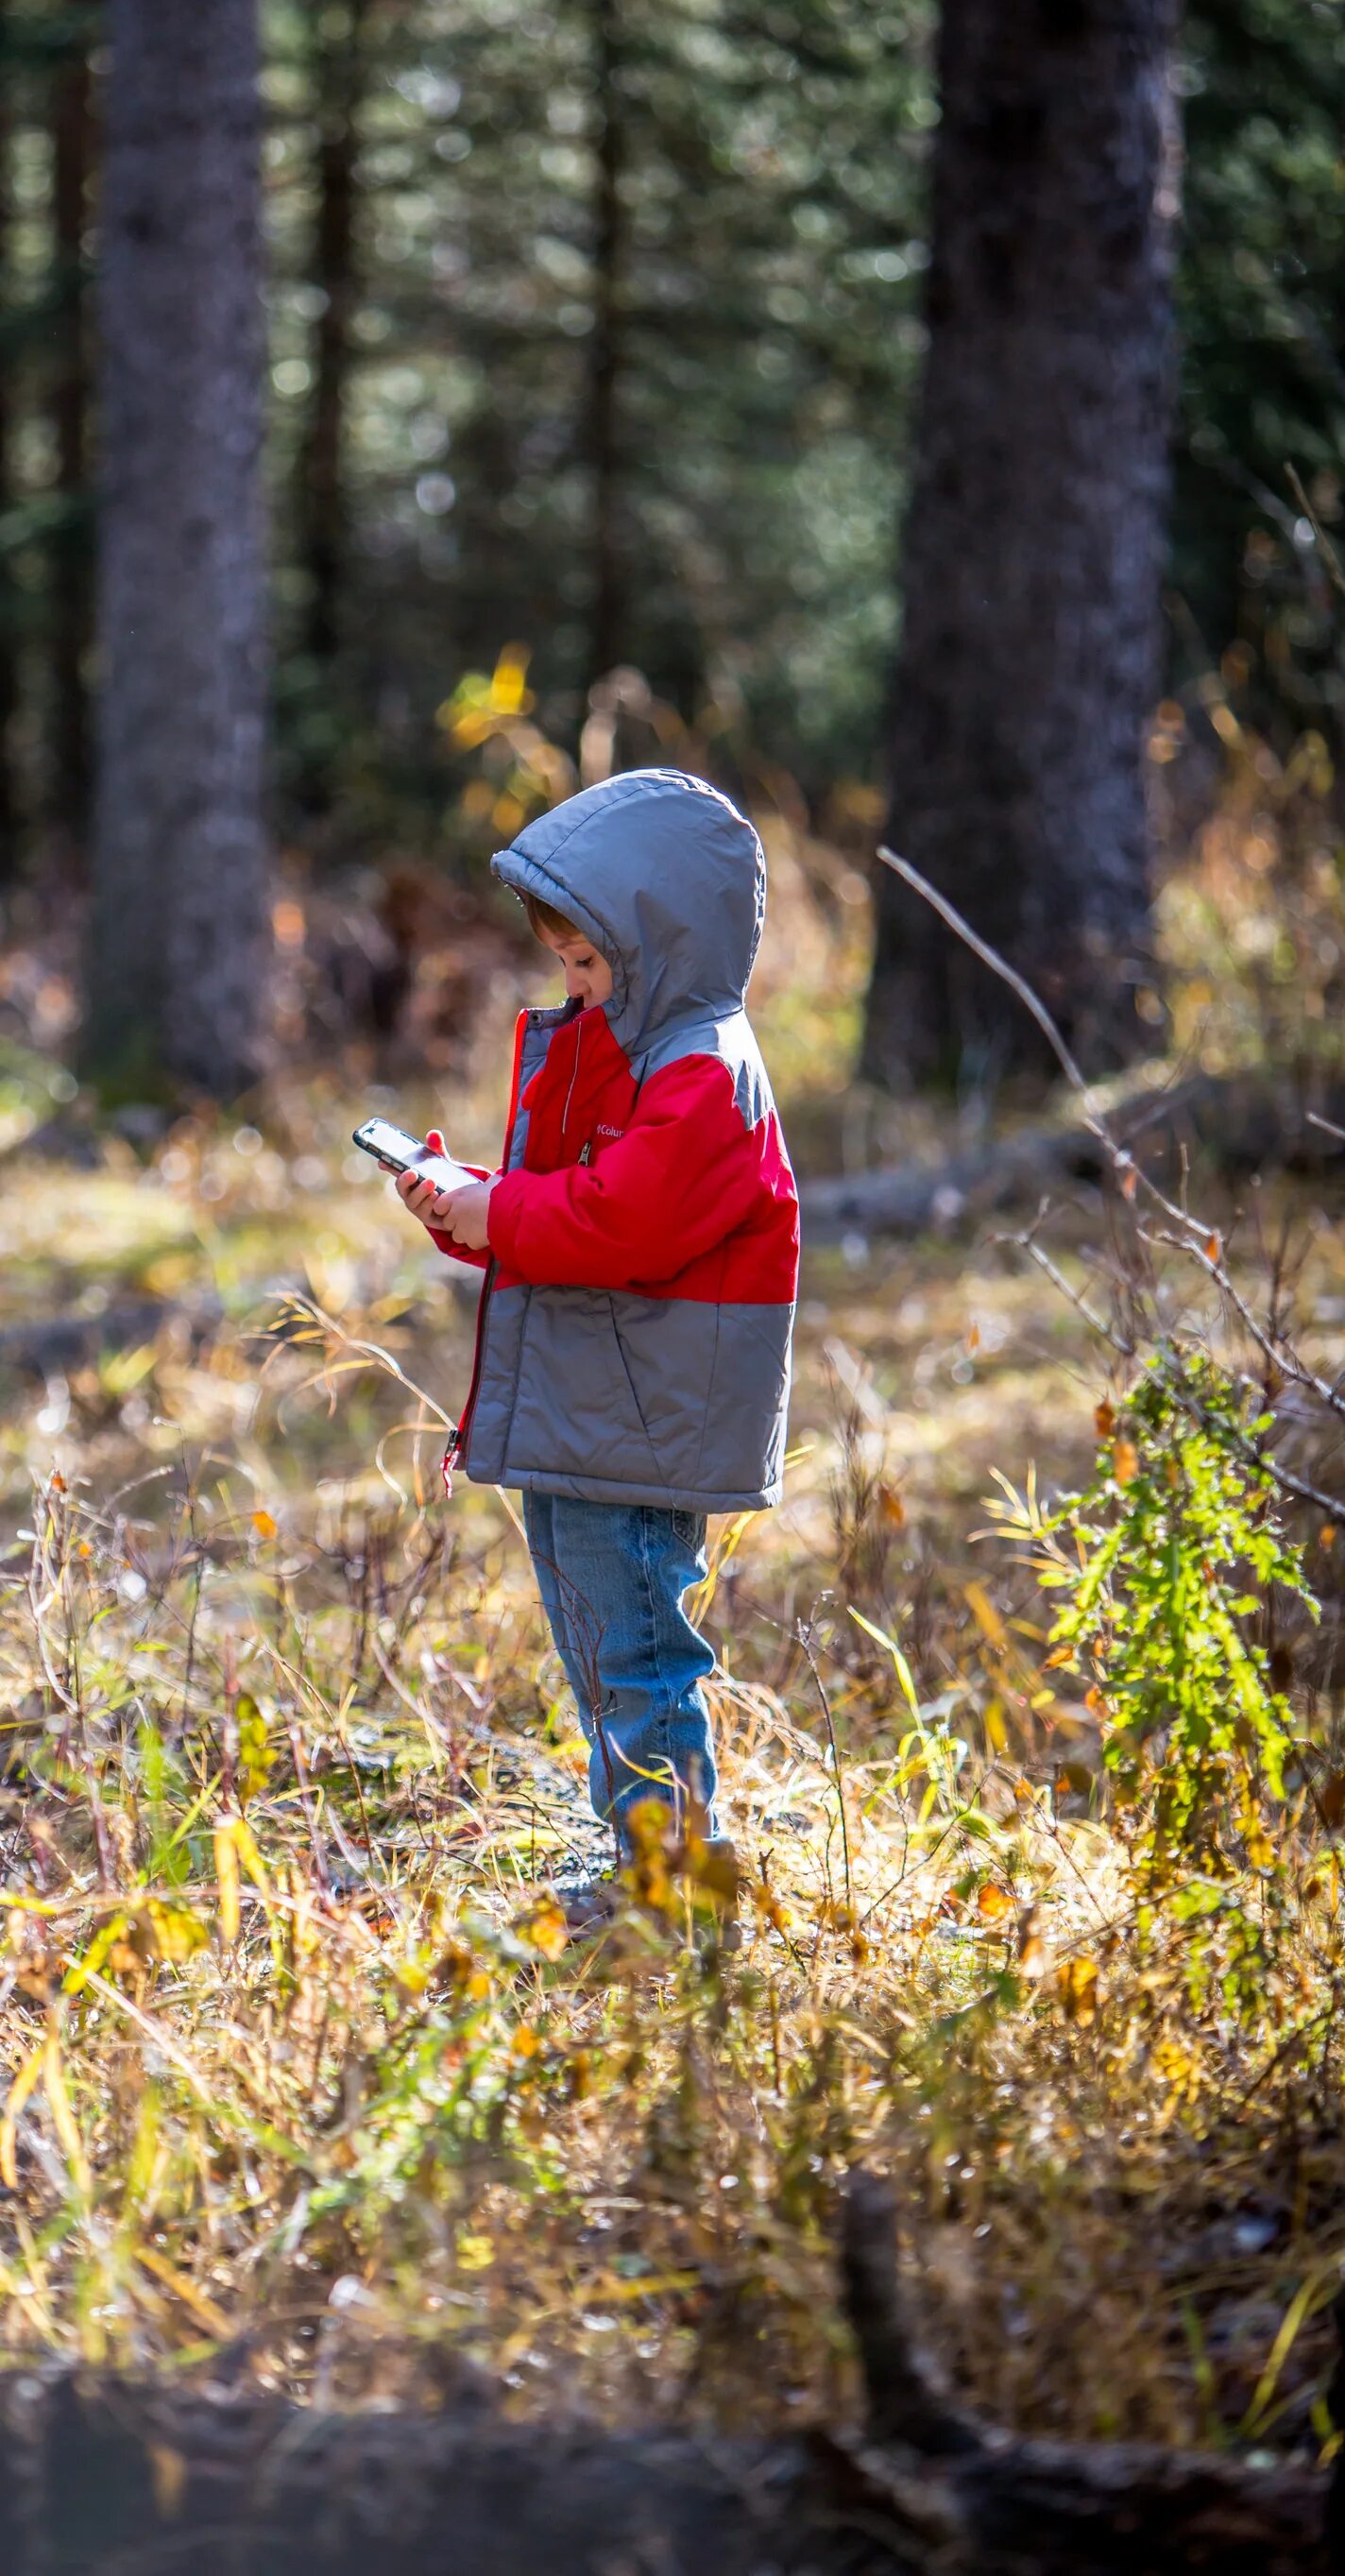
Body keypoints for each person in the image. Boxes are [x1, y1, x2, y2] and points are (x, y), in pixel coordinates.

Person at [394, 767, 799, 1923]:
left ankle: (674, 1888)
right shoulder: (639, 1050)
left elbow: (628, 1220)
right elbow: (580, 1202)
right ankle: (637, 1861)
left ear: (664, 936)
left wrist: (499, 1213)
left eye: (586, 962)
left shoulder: (702, 1069)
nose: (571, 986)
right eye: (563, 964)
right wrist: (471, 1201)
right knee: (598, 1641)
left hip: (642, 1415)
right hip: (598, 1405)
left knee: (638, 1652)